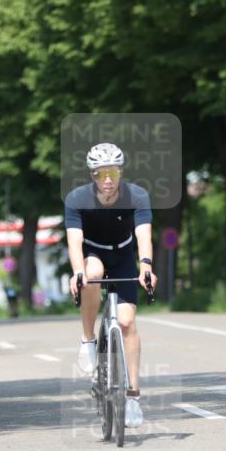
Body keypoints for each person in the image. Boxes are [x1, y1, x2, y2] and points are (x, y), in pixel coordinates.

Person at [65, 142, 156, 429]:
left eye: (113, 174)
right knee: (92, 273)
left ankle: (132, 398)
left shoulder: (137, 196)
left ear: (120, 173)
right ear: (93, 175)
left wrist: (146, 266)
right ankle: (89, 340)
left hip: (124, 255)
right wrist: (78, 271)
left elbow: (143, 234)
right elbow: (74, 240)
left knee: (128, 323)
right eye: (102, 173)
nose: (107, 180)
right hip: (93, 252)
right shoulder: (77, 198)